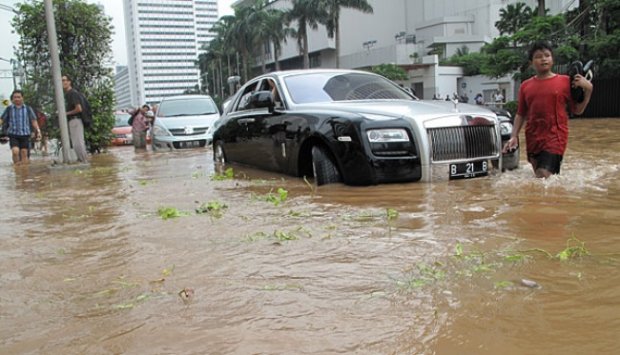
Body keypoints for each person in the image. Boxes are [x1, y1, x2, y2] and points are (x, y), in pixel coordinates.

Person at [503, 41, 593, 178]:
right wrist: (514, 136)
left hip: (555, 137)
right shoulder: (525, 86)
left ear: (552, 59)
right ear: (531, 62)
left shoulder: (566, 82)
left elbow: (578, 110)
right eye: (539, 56)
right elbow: (521, 114)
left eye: (547, 55)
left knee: (543, 174)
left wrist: (588, 90)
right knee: (542, 180)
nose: (543, 59)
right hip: (533, 137)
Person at [1, 90, 41, 165]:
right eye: (15, 97)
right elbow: (2, 119)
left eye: (19, 97)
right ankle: (17, 168)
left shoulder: (28, 109)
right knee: (15, 152)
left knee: (24, 153)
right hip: (13, 134)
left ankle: (24, 172)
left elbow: (33, 120)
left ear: (22, 98)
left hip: (25, 134)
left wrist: (38, 131)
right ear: (12, 99)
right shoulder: (9, 109)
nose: (17, 99)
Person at [62, 75, 88, 163]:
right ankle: (81, 160)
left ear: (69, 82)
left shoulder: (72, 93)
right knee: (76, 142)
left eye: (64, 80)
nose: (63, 82)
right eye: (61, 81)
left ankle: (83, 161)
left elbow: (78, 109)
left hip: (75, 120)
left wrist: (65, 114)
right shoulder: (67, 94)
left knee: (78, 142)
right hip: (72, 120)